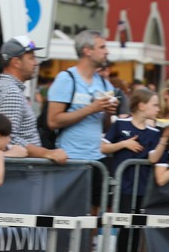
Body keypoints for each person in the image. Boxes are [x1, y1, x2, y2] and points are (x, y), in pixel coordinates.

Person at [100, 87, 169, 252]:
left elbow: (153, 158)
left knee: (137, 225)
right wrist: (124, 144)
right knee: (123, 223)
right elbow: (103, 147)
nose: (158, 109)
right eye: (154, 105)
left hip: (142, 186)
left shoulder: (154, 133)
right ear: (141, 106)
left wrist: (165, 140)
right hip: (124, 184)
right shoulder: (120, 124)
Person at [46, 30, 117, 209]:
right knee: (68, 215)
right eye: (102, 47)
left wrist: (108, 112)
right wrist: (91, 108)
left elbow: (105, 127)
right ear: (87, 51)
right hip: (70, 159)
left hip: (97, 160)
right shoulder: (66, 79)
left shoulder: (104, 84)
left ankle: (88, 239)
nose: (107, 51)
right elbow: (53, 121)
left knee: (92, 218)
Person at [0, 35, 68, 164]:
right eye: (31, 58)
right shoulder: (11, 92)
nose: (36, 62)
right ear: (16, 62)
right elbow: (9, 138)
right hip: (20, 172)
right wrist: (47, 153)